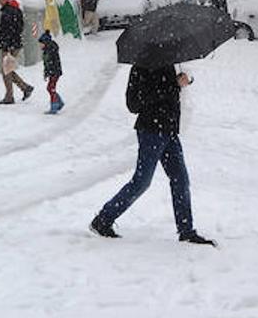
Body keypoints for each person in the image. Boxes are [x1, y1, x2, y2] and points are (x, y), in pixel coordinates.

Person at [90, 63, 216, 246]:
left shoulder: (169, 61)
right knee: (141, 182)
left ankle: (186, 231)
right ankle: (103, 219)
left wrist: (185, 80)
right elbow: (133, 104)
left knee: (181, 180)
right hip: (151, 131)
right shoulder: (141, 66)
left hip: (170, 131)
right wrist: (170, 86)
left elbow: (176, 86)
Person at [0, 0, 33, 104]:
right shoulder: (15, 10)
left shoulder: (8, 12)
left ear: (5, 0)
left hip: (9, 46)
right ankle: (24, 88)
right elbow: (19, 28)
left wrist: (6, 46)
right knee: (8, 69)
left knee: (6, 71)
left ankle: (11, 96)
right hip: (15, 44)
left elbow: (7, 31)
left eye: (0, 0)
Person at [39, 30, 64, 114]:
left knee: (51, 88)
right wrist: (46, 73)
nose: (40, 45)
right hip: (52, 72)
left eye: (41, 43)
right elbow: (46, 64)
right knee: (50, 88)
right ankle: (59, 102)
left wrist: (51, 72)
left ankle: (54, 106)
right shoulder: (47, 50)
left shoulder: (51, 50)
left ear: (45, 42)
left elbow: (52, 63)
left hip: (55, 72)